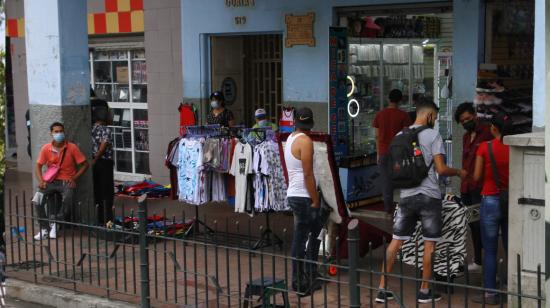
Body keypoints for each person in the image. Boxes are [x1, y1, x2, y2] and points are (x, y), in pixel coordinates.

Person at [376, 101, 467, 304]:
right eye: (434, 117)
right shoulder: (433, 135)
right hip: (429, 197)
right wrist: (459, 172)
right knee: (429, 245)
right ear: (429, 115)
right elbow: (441, 169)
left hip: (406, 197)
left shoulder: (399, 136)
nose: (435, 120)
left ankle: (382, 288)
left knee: (395, 241)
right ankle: (424, 291)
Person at [472, 113, 511, 305]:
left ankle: (490, 294)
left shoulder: (484, 148)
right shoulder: (514, 148)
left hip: (490, 201)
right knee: (512, 248)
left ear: (493, 128)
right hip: (511, 201)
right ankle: (513, 290)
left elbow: (477, 176)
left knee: (490, 250)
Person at [284, 107, 322, 295]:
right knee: (302, 239)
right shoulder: (306, 142)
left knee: (311, 235)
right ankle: (299, 282)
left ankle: (309, 275)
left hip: (294, 193)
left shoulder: (290, 138)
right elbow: (307, 174)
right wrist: (315, 199)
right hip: (304, 195)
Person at [454, 102, 493, 272]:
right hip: (466, 188)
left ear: (475, 116)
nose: (465, 123)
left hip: (481, 186)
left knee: (483, 225)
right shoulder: (465, 137)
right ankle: (478, 260)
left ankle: (488, 262)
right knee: (472, 225)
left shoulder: (487, 132)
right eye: (462, 121)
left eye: (468, 119)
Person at [33, 122, 89, 240]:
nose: (59, 134)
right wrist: (41, 180)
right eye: (56, 132)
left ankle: (55, 223)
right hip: (50, 181)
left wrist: (74, 178)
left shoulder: (72, 147)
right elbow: (38, 165)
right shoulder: (46, 148)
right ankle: (44, 229)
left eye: (61, 131)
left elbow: (85, 165)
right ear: (51, 133)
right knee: (37, 200)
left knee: (68, 199)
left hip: (66, 181)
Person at [373, 89, 412, 213]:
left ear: (388, 99)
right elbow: (407, 136)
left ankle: (388, 208)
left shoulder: (380, 115)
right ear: (400, 101)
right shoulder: (404, 116)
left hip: (384, 152)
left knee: (386, 182)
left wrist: (378, 153)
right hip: (398, 154)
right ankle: (404, 207)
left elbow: (377, 136)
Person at [92, 115, 114, 225]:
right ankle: (107, 219)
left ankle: (99, 218)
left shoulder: (90, 128)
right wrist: (96, 158)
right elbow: (104, 145)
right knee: (106, 192)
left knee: (97, 191)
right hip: (104, 162)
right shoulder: (106, 129)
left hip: (93, 163)